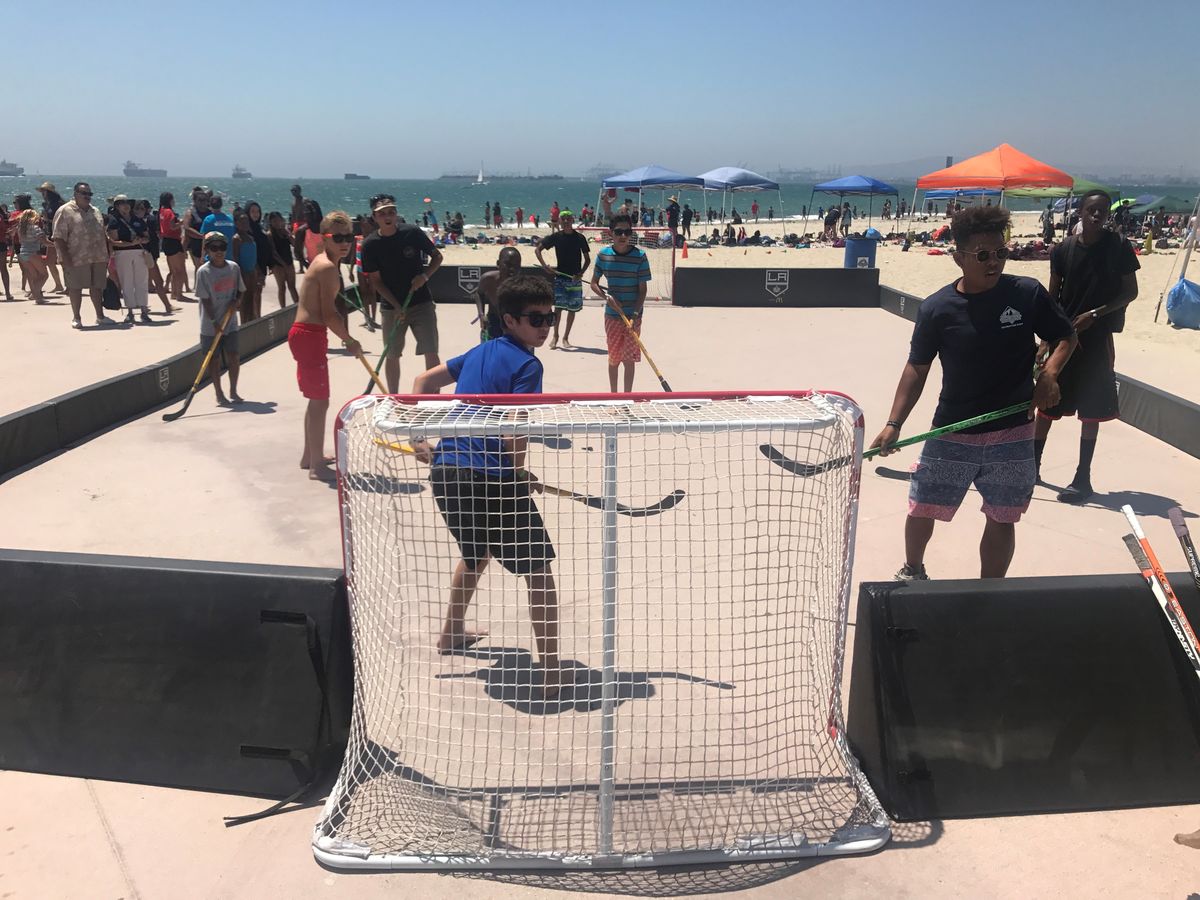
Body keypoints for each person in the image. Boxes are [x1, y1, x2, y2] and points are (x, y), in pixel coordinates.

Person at [869, 205, 1076, 580]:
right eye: (982, 255)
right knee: (922, 506)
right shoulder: (937, 309)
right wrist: (893, 423)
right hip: (953, 430)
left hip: (1013, 431)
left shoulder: (1026, 293)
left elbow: (1066, 335)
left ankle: (990, 590)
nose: (993, 261)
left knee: (1003, 515)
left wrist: (1049, 374)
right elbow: (917, 367)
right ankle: (913, 569)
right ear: (958, 258)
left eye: (1001, 252)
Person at [412, 274, 564, 698]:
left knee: (475, 553)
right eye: (536, 319)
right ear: (510, 319)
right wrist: (518, 472)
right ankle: (551, 673)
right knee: (539, 574)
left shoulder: (480, 351)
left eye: (550, 317)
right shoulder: (528, 364)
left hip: (447, 472)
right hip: (489, 477)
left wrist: (418, 439)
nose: (545, 326)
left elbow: (424, 384)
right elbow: (515, 432)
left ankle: (450, 635)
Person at [1034, 190, 1139, 502]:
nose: (1097, 215)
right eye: (1091, 209)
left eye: (1102, 211)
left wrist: (1097, 314)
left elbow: (1129, 292)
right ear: (1079, 212)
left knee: (1092, 409)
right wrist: (1044, 340)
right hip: (1064, 337)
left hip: (1097, 338)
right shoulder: (1063, 250)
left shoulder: (1118, 247)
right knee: (1047, 402)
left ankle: (1082, 477)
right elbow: (1052, 299)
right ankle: (1032, 466)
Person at [287, 210, 360, 482]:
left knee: (315, 400)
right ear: (325, 238)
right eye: (337, 237)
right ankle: (317, 466)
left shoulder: (323, 260)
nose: (345, 242)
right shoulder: (328, 267)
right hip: (309, 334)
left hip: (307, 334)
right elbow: (330, 314)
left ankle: (310, 455)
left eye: (349, 237)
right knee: (320, 401)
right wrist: (350, 340)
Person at [361, 193, 443, 393]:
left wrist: (424, 277)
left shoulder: (412, 233)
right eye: (382, 214)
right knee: (392, 353)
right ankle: (394, 396)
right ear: (374, 217)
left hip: (421, 302)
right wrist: (396, 306)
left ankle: (433, 397)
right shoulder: (370, 245)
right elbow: (376, 281)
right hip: (391, 309)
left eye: (391, 212)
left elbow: (437, 257)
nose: (388, 216)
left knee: (431, 350)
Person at [590, 214, 650, 392]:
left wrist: (635, 316)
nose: (623, 236)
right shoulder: (603, 255)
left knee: (629, 359)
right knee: (614, 357)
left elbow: (643, 290)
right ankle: (614, 396)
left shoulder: (640, 256)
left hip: (634, 316)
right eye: (618, 232)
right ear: (611, 233)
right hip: (612, 316)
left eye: (627, 232)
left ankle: (627, 398)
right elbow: (594, 283)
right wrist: (606, 297)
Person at [53, 182, 117, 328]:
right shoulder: (65, 211)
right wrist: (65, 258)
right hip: (76, 257)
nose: (87, 196)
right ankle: (76, 317)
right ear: (75, 194)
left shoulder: (95, 211)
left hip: (98, 256)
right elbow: (58, 237)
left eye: (89, 194)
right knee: (75, 288)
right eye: (84, 193)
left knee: (97, 287)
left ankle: (100, 316)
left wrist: (108, 252)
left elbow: (102, 233)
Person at [194, 231, 246, 406]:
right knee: (213, 359)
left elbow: (240, 290)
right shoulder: (204, 272)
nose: (219, 251)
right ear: (207, 250)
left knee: (234, 355)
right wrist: (214, 322)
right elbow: (205, 299)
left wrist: (237, 301)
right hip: (210, 325)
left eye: (222, 247)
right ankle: (219, 393)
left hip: (230, 322)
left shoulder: (233, 268)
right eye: (214, 248)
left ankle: (233, 391)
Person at [536, 208, 590, 350]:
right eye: (563, 219)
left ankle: (566, 337)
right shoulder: (556, 237)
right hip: (560, 277)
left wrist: (581, 273)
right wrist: (545, 266)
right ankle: (555, 336)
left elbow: (588, 259)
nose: (566, 222)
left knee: (572, 310)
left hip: (574, 280)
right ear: (559, 221)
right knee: (558, 309)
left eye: (569, 219)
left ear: (573, 220)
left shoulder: (580, 238)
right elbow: (538, 250)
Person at [107, 195, 151, 324]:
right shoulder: (114, 221)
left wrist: (141, 240)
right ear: (117, 206)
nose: (126, 205)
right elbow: (114, 241)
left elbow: (147, 237)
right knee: (127, 282)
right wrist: (130, 243)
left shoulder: (137, 220)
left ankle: (144, 310)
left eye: (127, 202)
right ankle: (130, 311)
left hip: (139, 252)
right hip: (123, 254)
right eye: (122, 203)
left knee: (141, 281)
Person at [134, 199, 175, 314]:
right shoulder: (147, 220)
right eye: (138, 209)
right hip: (144, 254)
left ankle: (166, 305)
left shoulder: (139, 221)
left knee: (154, 281)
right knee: (151, 281)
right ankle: (164, 306)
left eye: (142, 208)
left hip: (148, 254)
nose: (141, 211)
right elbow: (159, 233)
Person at [475, 245, 521, 342]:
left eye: (516, 265)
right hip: (493, 321)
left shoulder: (523, 285)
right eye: (508, 264)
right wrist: (481, 314)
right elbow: (479, 294)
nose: (512, 269)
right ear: (498, 264)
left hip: (515, 324)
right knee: (489, 353)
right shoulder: (488, 279)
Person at [36, 182, 67, 294]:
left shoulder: (57, 205)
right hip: (51, 235)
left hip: (58, 235)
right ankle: (59, 285)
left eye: (44, 191)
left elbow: (58, 221)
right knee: (50, 261)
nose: (42, 194)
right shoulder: (48, 204)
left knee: (62, 262)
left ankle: (66, 286)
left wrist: (46, 219)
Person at [14, 208, 49, 303]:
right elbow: (44, 242)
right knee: (44, 275)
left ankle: (38, 298)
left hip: (22, 253)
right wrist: (54, 244)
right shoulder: (35, 228)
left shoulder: (20, 228)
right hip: (33, 253)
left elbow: (20, 241)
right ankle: (35, 293)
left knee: (35, 275)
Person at [157, 192, 187, 302]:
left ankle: (174, 293)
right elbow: (172, 226)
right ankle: (179, 293)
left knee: (174, 270)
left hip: (166, 241)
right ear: (170, 200)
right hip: (173, 240)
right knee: (179, 270)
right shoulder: (169, 211)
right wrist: (182, 223)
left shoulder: (161, 211)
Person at [232, 211, 261, 323]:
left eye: (246, 221)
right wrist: (239, 275)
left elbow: (255, 257)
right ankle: (244, 323)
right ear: (236, 223)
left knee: (251, 298)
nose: (244, 223)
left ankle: (251, 321)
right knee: (244, 301)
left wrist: (258, 272)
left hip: (252, 272)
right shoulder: (236, 239)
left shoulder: (251, 238)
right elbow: (236, 258)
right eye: (241, 221)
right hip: (243, 273)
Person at [267, 211, 299, 306]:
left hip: (289, 262)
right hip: (278, 265)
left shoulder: (285, 232)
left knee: (292, 286)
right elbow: (273, 252)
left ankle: (298, 306)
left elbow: (294, 244)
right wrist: (283, 264)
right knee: (282, 288)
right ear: (271, 222)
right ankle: (283, 309)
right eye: (274, 221)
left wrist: (288, 235)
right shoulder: (270, 234)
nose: (277, 223)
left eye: (278, 220)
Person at [181, 187, 211, 275]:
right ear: (195, 201)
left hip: (209, 245)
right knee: (200, 268)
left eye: (205, 200)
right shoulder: (191, 212)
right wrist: (201, 236)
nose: (203, 202)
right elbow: (186, 228)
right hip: (196, 245)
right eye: (200, 200)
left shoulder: (210, 213)